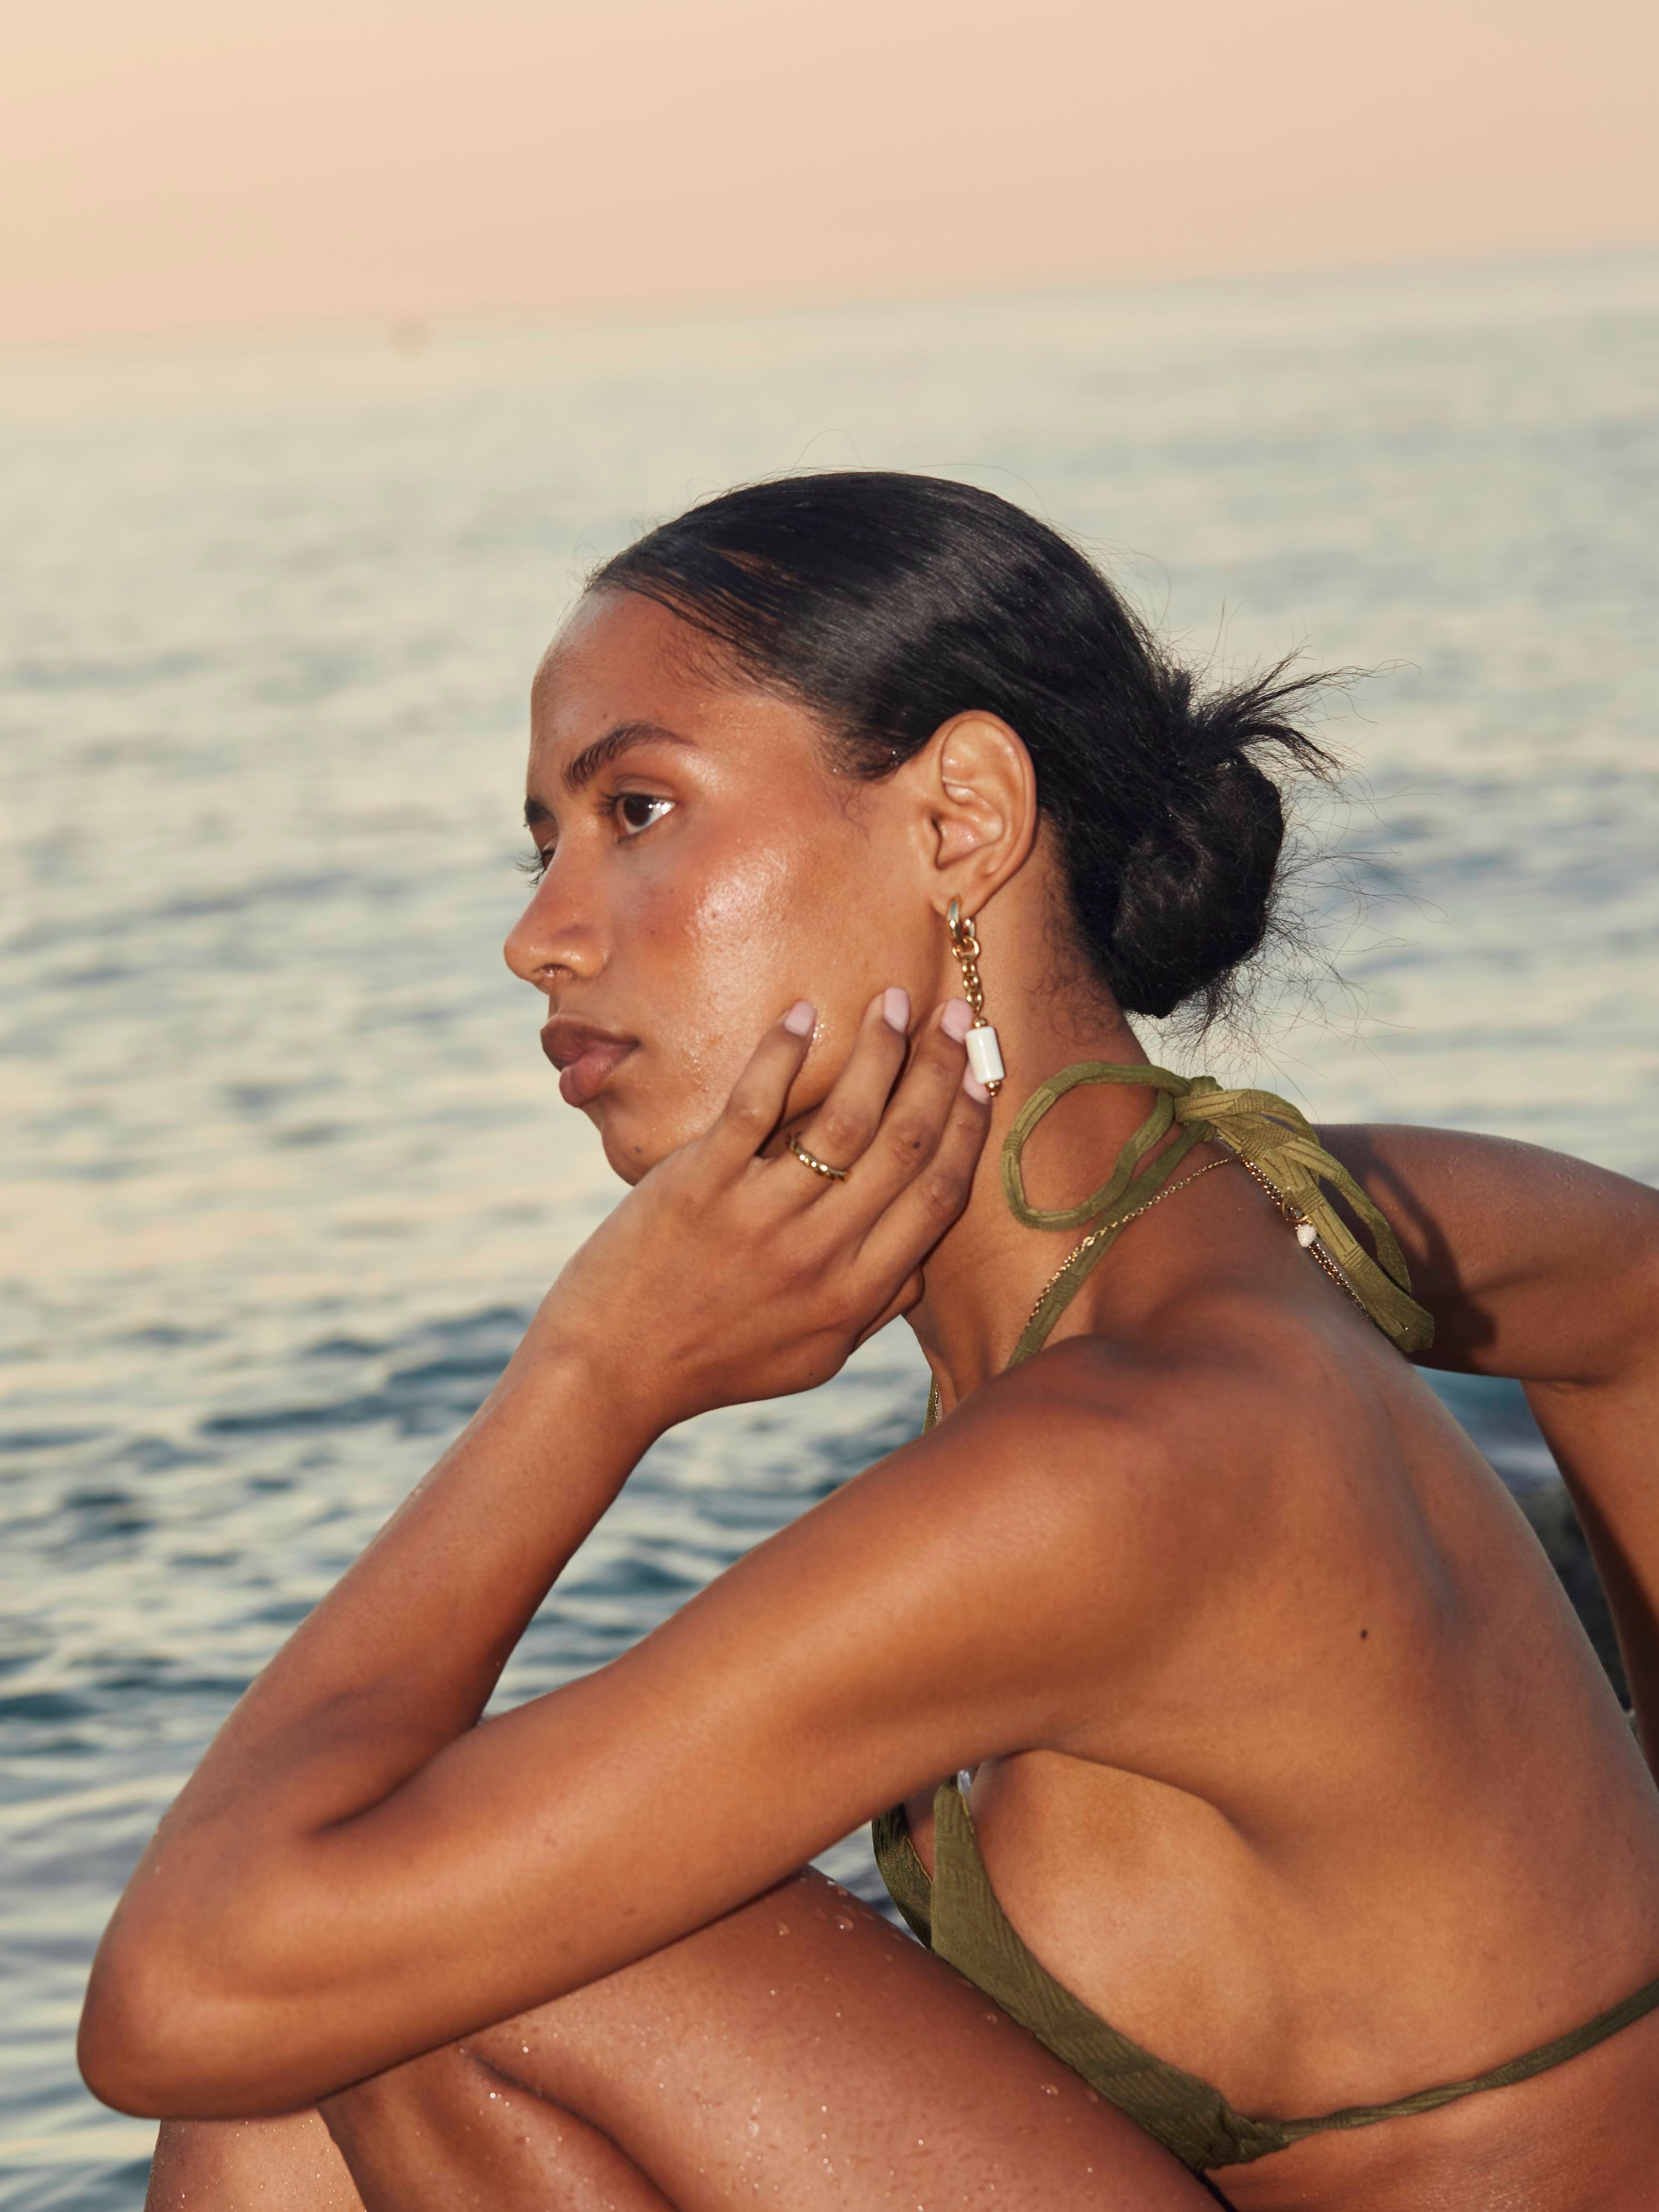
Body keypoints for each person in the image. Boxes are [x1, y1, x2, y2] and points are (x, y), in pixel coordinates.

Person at [83, 474, 1659, 2212]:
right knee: (283, 2090)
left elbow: (179, 1993)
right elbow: (1641, 1299)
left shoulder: (1124, 1460)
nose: (541, 935)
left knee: (432, 1968)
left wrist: (588, 1378)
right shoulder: (1283, 1215)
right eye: (547, 844)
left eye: (636, 808)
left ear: (961, 819)